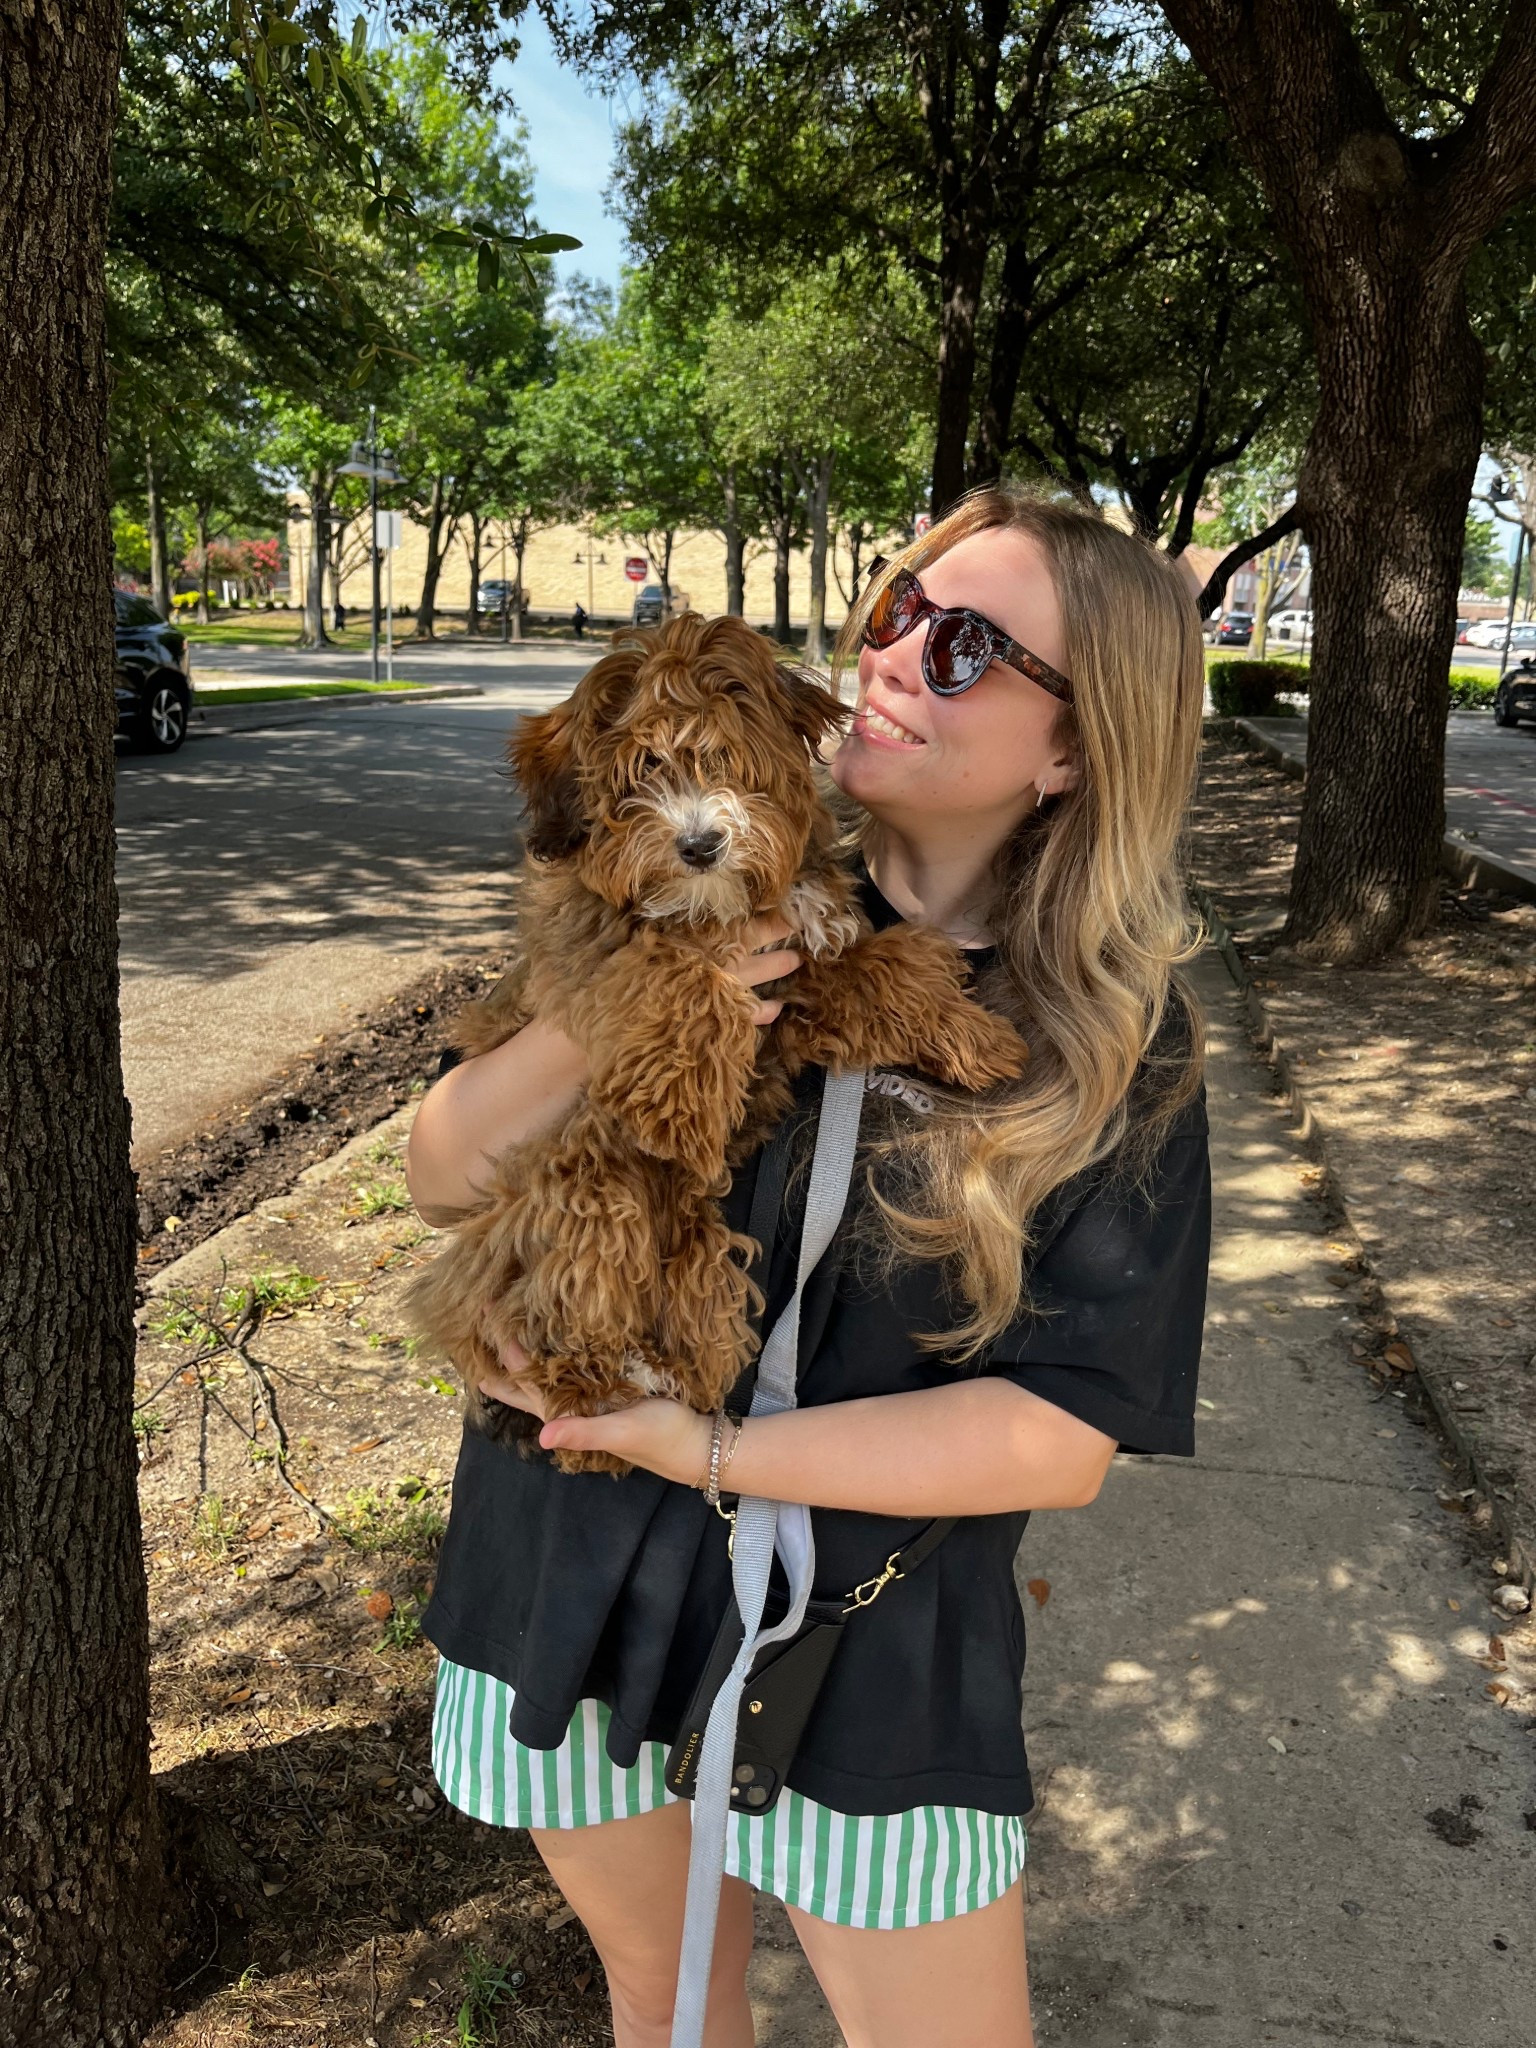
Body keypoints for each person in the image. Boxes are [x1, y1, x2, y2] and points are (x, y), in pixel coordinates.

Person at [405, 488, 1211, 2048]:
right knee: (670, 2008)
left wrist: (710, 1450)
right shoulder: (682, 872)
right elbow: (445, 1178)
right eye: (900, 607)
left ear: (1075, 749)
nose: (896, 652)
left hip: (863, 1634)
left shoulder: (1106, 1044)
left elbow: (1061, 1429)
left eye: (967, 645)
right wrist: (623, 1008)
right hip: (577, 1561)